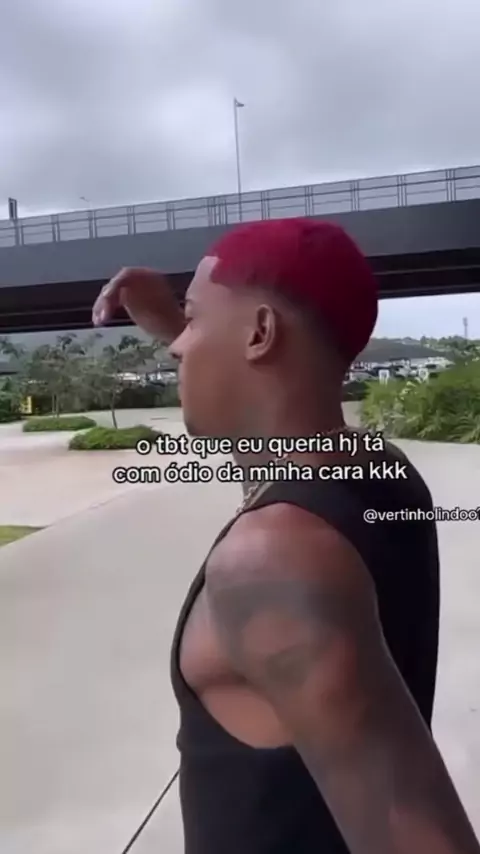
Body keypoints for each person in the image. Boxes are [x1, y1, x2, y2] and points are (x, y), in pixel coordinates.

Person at [93, 218, 480, 854]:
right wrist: (186, 327)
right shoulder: (381, 474)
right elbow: (273, 443)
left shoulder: (275, 557)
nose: (175, 348)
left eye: (192, 322)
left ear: (260, 333)